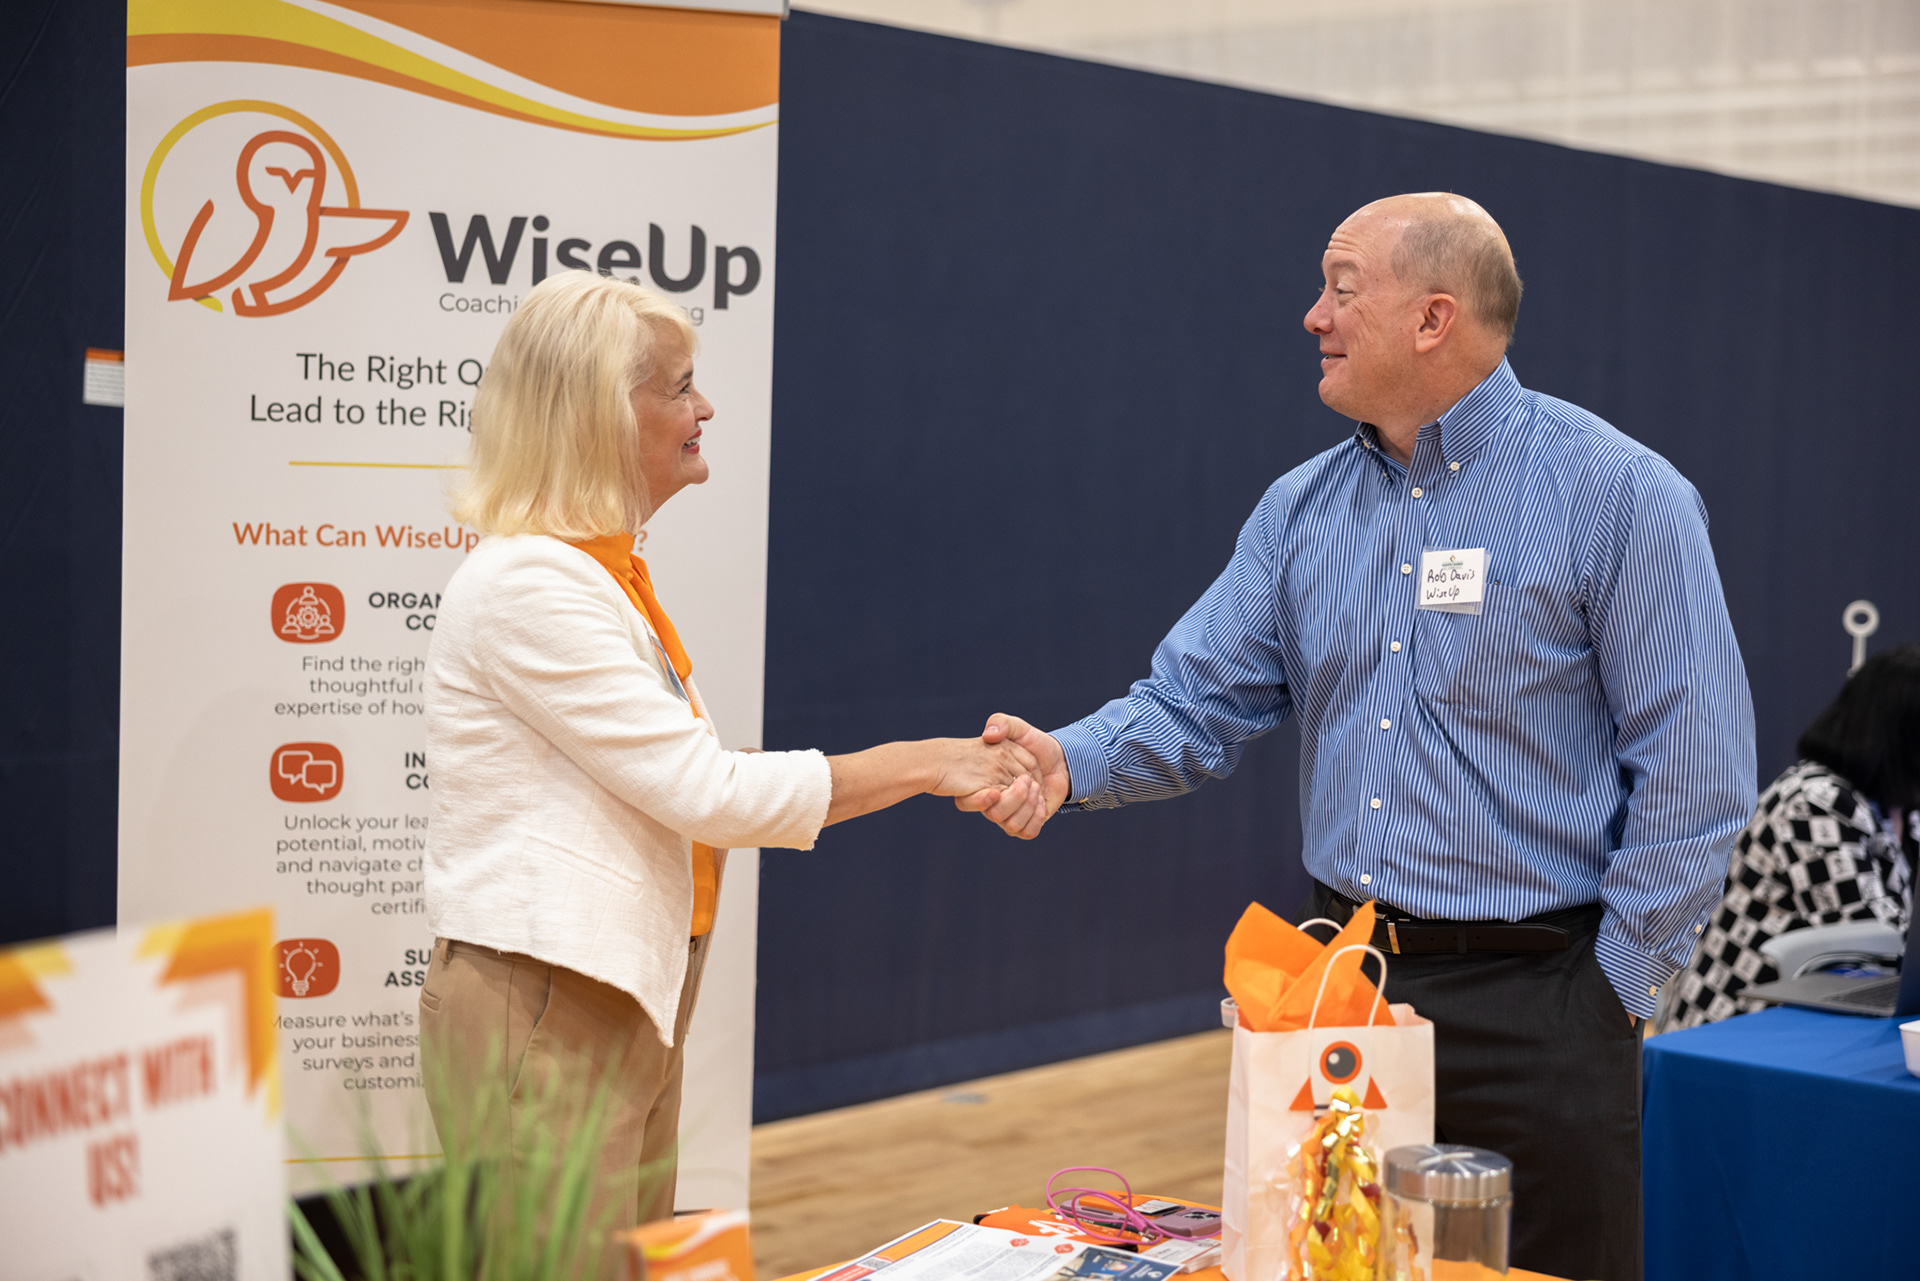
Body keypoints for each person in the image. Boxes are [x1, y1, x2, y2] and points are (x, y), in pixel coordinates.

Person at [961, 194, 1755, 1281]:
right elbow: (1194, 701)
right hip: (1346, 993)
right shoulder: (1300, 511)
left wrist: (1613, 988)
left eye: (1342, 289)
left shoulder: (1619, 496)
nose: (1313, 316)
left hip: (1547, 1002)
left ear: (1434, 319)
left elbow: (1697, 773)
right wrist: (1067, 760)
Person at [420, 271, 1045, 1256]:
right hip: (550, 998)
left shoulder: (596, 575)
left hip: (611, 993)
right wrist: (929, 763)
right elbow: (708, 792)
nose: (704, 408)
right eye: (678, 388)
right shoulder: (532, 585)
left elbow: (679, 774)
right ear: (596, 416)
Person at [1662, 644, 1920, 1030]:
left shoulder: (1901, 808)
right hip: (1737, 1022)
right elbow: (1875, 941)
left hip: (1826, 1016)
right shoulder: (1814, 800)